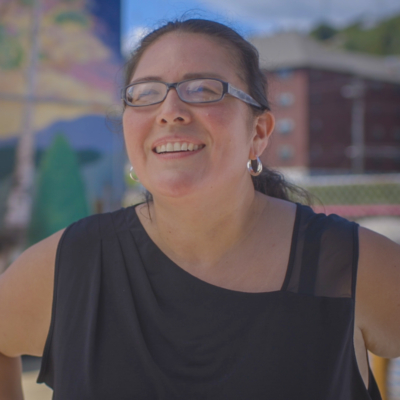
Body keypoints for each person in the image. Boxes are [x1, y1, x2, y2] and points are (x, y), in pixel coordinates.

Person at [0, 18, 399, 400]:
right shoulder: (73, 263)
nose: (169, 110)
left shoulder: (349, 265)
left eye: (205, 89)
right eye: (144, 93)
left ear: (258, 133)